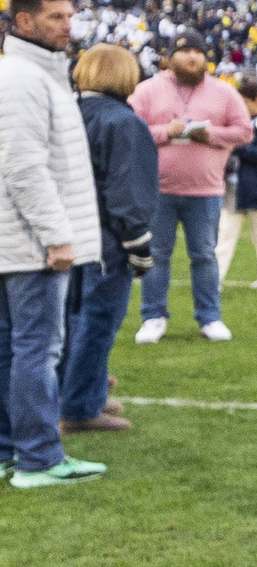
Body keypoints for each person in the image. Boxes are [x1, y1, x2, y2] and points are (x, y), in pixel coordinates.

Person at [0, 0, 105, 486]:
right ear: (24, 22)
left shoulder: (31, 74)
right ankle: (38, 459)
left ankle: (10, 450)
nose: (68, 26)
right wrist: (56, 236)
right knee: (37, 350)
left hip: (16, 240)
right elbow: (24, 169)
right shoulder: (23, 78)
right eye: (56, 17)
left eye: (69, 16)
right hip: (30, 244)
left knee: (13, 349)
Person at [129, 32, 252, 343]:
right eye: (185, 52)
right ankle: (153, 316)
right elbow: (129, 127)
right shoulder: (147, 90)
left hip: (206, 190)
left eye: (198, 51)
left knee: (204, 255)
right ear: (170, 58)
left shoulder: (224, 92)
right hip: (157, 189)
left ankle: (210, 317)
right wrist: (165, 131)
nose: (193, 57)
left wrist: (208, 135)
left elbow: (244, 132)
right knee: (156, 254)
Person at [61, 43, 157, 436]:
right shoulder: (121, 121)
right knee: (99, 320)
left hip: (68, 230)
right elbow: (125, 191)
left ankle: (86, 392)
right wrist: (137, 244)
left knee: (70, 320)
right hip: (105, 236)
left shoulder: (68, 113)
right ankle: (80, 406)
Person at [216, 79, 257, 287]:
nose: (241, 107)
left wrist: (238, 148)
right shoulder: (240, 124)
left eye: (244, 102)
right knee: (224, 236)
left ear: (256, 100)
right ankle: (214, 279)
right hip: (235, 188)